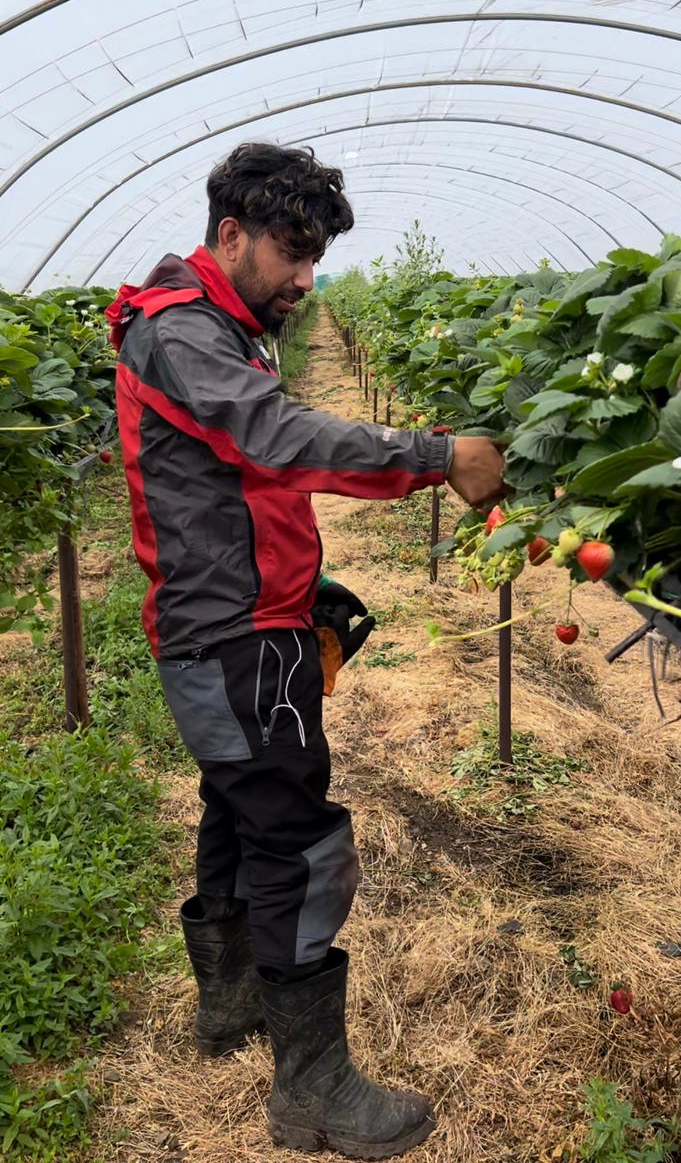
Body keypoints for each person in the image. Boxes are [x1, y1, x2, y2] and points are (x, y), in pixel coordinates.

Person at [106, 142, 505, 1159]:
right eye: (290, 252)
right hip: (231, 639)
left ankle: (230, 1002)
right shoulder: (182, 335)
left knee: (239, 812)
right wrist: (434, 455)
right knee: (297, 838)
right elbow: (270, 439)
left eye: (314, 256)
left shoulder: (223, 329)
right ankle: (312, 1088)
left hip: (249, 622)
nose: (304, 278)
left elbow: (234, 482)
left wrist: (300, 575)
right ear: (229, 233)